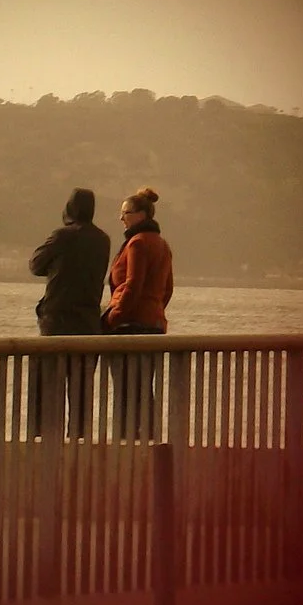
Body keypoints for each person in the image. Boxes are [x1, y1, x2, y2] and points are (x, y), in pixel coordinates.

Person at [27, 187, 110, 439]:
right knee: (81, 388)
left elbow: (36, 265)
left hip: (57, 321)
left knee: (48, 383)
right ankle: (79, 438)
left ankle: (45, 436)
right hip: (88, 323)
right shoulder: (102, 240)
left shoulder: (62, 236)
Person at [103, 186, 174, 438]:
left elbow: (133, 285)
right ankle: (148, 437)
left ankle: (126, 439)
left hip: (129, 325)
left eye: (126, 213)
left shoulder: (137, 243)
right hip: (153, 324)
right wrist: (154, 310)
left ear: (141, 215)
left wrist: (114, 316)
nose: (121, 218)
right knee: (144, 387)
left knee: (125, 387)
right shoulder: (162, 245)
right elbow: (167, 289)